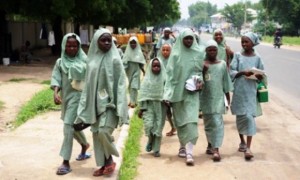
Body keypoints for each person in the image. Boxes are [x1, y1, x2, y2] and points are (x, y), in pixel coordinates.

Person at [76, 28, 128, 176]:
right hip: (95, 105)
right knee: (97, 135)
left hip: (110, 105)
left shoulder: (115, 59)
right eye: (103, 40)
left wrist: (121, 106)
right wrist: (86, 106)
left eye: (108, 40)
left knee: (104, 132)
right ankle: (104, 164)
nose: (106, 43)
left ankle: (110, 160)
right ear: (96, 42)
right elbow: (88, 86)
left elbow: (121, 84)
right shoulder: (91, 60)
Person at [50, 33, 91, 175]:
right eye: (68, 45)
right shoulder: (60, 62)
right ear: (63, 46)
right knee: (73, 126)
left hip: (79, 98)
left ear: (79, 46)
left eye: (75, 45)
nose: (72, 48)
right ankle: (85, 145)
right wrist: (56, 93)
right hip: (66, 99)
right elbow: (56, 79)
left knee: (68, 127)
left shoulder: (86, 61)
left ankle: (65, 161)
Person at [163, 28, 204, 166]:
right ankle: (182, 145)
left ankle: (190, 153)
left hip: (192, 94)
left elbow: (201, 72)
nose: (188, 41)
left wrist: (199, 82)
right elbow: (169, 76)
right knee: (180, 122)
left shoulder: (198, 53)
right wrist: (167, 94)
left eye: (191, 38)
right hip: (177, 93)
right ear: (181, 39)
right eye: (186, 38)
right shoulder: (175, 55)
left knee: (191, 121)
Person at [230, 32, 267, 161]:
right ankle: (242, 141)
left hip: (251, 91)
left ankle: (248, 148)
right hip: (239, 91)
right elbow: (231, 71)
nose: (244, 44)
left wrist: (258, 76)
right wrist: (242, 72)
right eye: (243, 41)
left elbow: (262, 74)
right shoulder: (237, 56)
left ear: (253, 43)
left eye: (247, 41)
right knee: (241, 117)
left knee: (249, 117)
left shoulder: (257, 58)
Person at [201, 40, 233, 162]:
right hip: (205, 99)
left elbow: (226, 81)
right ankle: (210, 144)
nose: (212, 51)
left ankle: (216, 149)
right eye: (210, 49)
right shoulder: (202, 64)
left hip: (218, 98)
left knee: (217, 123)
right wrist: (203, 70)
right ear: (206, 51)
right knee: (208, 124)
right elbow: (198, 80)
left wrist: (228, 98)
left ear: (217, 51)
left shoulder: (222, 64)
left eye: (214, 49)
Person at [138, 57, 166, 157]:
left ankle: (156, 149)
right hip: (149, 106)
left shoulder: (165, 78)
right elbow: (143, 95)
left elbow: (168, 92)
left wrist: (168, 102)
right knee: (149, 125)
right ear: (150, 67)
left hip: (161, 106)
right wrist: (141, 109)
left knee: (158, 128)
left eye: (158, 66)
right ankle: (150, 140)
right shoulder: (146, 80)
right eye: (154, 66)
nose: (156, 68)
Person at [157, 43, 176, 136]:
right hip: (161, 89)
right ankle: (173, 127)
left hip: (172, 89)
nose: (165, 52)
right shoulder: (158, 61)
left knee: (174, 110)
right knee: (166, 110)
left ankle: (176, 127)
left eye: (167, 50)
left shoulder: (174, 61)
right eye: (163, 50)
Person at [123, 36, 146, 108]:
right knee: (130, 86)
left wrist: (143, 71)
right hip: (129, 72)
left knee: (134, 86)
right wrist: (123, 71)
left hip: (136, 71)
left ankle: (133, 102)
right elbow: (124, 63)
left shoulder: (139, 52)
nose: (133, 45)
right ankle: (133, 100)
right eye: (131, 43)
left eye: (134, 43)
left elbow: (140, 63)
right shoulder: (127, 53)